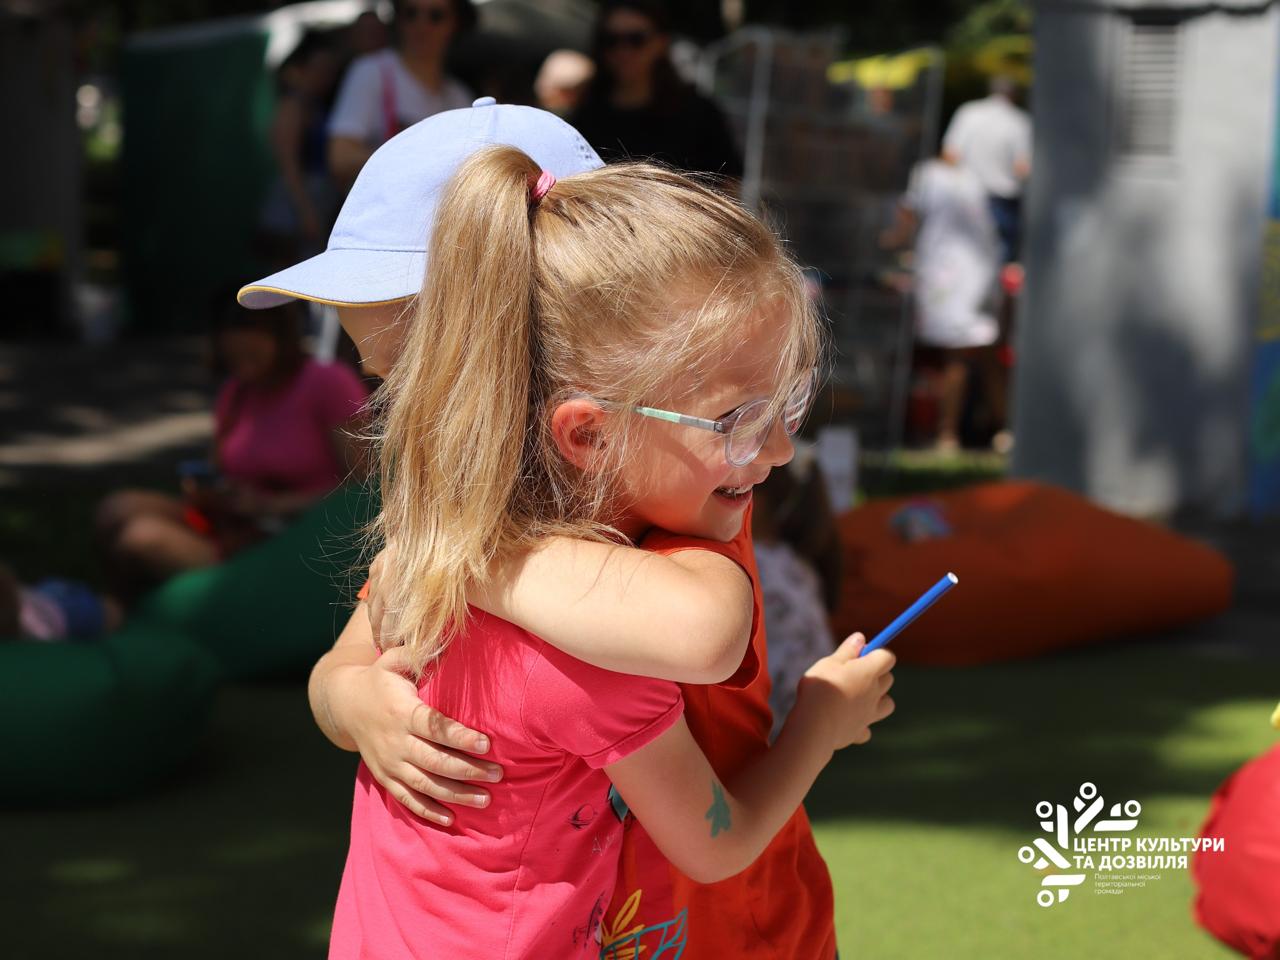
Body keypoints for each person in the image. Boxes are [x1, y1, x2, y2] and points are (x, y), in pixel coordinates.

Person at [238, 101, 894, 959]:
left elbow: (702, 629)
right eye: (391, 377)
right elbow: (342, 668)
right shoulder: (602, 495)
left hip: (731, 925)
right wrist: (357, 705)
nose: (418, 408)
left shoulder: (675, 499)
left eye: (423, 366)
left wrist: (462, 556)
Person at [95, 305, 369, 603]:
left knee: (141, 537)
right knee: (115, 509)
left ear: (281, 339)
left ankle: (134, 613)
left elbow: (363, 487)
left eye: (251, 355)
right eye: (233, 359)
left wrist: (272, 505)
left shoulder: (328, 382)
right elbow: (219, 469)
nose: (242, 368)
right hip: (235, 523)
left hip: (291, 536)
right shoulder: (237, 390)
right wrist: (209, 492)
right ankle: (123, 611)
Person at [883, 153, 1005, 452]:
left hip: (950, 276)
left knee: (957, 355)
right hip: (980, 273)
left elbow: (905, 221)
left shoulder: (926, 174)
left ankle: (947, 434)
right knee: (985, 353)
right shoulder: (971, 175)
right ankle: (1005, 429)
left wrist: (887, 241)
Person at [571, 0, 742, 180]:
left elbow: (730, 183)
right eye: (611, 40)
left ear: (661, 42)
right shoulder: (586, 114)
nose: (623, 51)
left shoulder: (698, 113)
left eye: (636, 39)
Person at [327, 0, 475, 185]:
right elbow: (340, 158)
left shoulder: (459, 95)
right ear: (398, 18)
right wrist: (418, 158)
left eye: (435, 16)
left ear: (455, 25)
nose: (421, 25)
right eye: (410, 13)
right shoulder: (372, 71)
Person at [259, 32, 342, 263]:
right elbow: (289, 166)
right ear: (300, 70)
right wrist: (306, 212)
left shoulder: (315, 106)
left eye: (330, 70)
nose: (325, 77)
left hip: (317, 203)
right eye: (319, 69)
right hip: (295, 210)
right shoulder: (291, 107)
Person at [941, 75, 1032, 264]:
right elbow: (1022, 168)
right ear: (1014, 95)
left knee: (962, 256)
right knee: (998, 260)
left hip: (966, 194)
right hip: (1001, 200)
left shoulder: (968, 112)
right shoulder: (1020, 121)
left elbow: (950, 155)